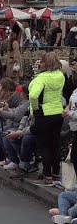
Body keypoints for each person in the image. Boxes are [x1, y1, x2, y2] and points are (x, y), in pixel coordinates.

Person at [29, 51, 66, 186]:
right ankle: (56, 173)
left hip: (44, 113)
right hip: (58, 111)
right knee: (55, 144)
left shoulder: (41, 78)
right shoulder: (60, 75)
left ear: (45, 63)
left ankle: (47, 176)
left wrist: (35, 109)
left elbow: (33, 95)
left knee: (44, 145)